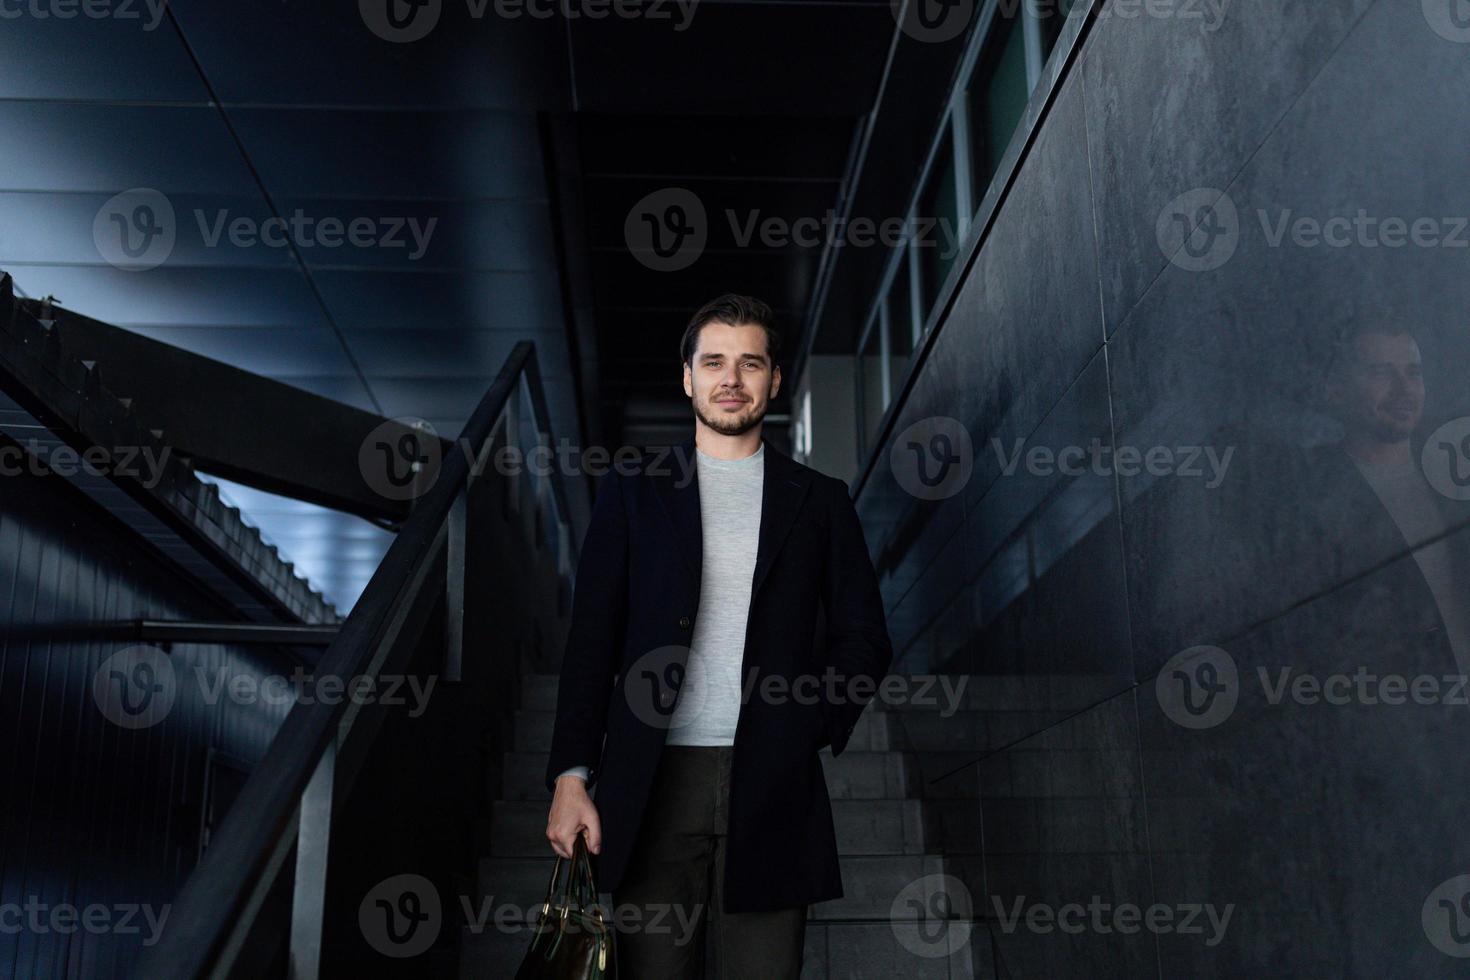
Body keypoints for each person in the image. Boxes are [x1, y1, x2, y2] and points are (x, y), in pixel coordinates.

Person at [541, 293, 894, 978]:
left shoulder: (820, 500)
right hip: (652, 780)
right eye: (714, 362)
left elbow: (864, 636)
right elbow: (591, 643)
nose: (731, 378)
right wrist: (570, 775)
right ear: (688, 377)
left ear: (774, 380)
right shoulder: (633, 490)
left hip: (773, 778)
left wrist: (811, 721)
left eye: (750, 363)